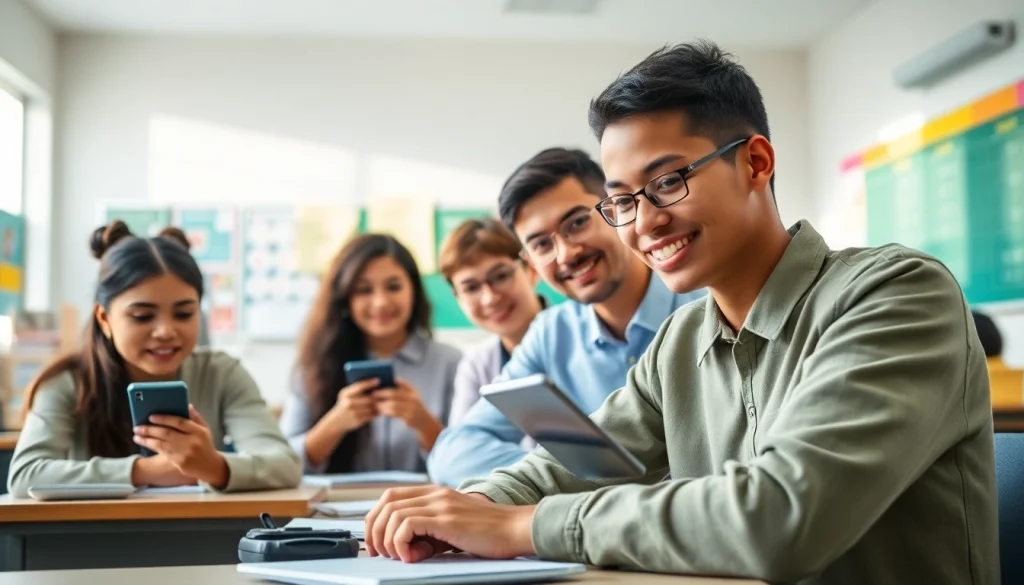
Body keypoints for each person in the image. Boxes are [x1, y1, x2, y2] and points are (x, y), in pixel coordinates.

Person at [365, 41, 998, 585]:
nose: (643, 223)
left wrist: (517, 526)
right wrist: (468, 508)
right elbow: (576, 465)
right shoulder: (683, 338)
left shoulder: (897, 293)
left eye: (668, 182)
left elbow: (781, 517)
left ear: (755, 163)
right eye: (622, 201)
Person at [427, 148, 705, 487]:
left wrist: (578, 481)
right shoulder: (550, 335)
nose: (566, 254)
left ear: (616, 210)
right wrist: (579, 477)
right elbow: (452, 453)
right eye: (542, 245)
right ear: (530, 261)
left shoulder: (705, 306)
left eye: (577, 223)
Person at [7, 221, 301, 497]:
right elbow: (25, 475)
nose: (165, 331)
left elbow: (285, 465)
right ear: (104, 318)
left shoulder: (221, 373)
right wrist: (146, 471)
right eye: (142, 316)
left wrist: (212, 466)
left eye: (184, 314)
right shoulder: (68, 382)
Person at [279, 234, 461, 474]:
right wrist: (335, 424)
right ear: (345, 298)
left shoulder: (451, 363)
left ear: (414, 291)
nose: (380, 302)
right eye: (364, 290)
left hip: (423, 498)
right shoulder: (314, 366)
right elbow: (282, 466)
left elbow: (467, 462)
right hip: (335, 499)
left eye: (393, 287)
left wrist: (423, 423)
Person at [438, 218, 546, 425]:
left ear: (531, 269)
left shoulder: (581, 334)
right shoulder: (477, 364)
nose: (490, 298)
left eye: (501, 276)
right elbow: (462, 440)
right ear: (458, 298)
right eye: (471, 288)